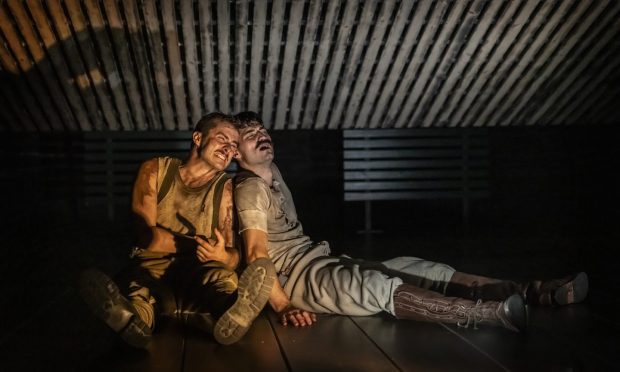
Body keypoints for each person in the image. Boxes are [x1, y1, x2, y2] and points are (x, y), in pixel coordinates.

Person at [231, 111, 588, 331]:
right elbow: (256, 255)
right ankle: (490, 314)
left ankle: (533, 291)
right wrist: (283, 305)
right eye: (251, 135)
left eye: (263, 130)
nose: (262, 136)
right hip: (297, 281)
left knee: (422, 268)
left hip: (320, 259)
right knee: (375, 287)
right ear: (236, 151)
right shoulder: (248, 188)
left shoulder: (272, 171)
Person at [79, 113, 276, 348]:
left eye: (234, 145)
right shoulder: (155, 170)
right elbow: (146, 236)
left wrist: (221, 255)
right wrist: (197, 244)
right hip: (152, 268)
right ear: (197, 138)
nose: (229, 149)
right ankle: (130, 320)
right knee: (140, 291)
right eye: (222, 139)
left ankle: (235, 311)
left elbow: (233, 256)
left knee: (221, 280)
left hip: (199, 272)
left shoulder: (224, 189)